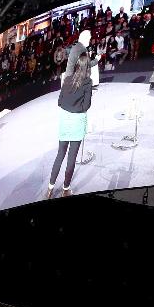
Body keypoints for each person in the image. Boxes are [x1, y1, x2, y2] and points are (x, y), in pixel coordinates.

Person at [49, 51, 92, 198]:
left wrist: (69, 107)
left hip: (65, 121)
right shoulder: (88, 82)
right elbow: (86, 106)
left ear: (77, 65)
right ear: (87, 66)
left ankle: (50, 188)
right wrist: (77, 108)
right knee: (71, 158)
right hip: (77, 123)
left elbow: (60, 102)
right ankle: (65, 189)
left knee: (60, 154)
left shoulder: (67, 79)